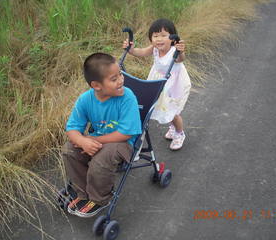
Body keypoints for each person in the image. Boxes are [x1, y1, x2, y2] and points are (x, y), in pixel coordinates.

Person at [62, 53, 142, 218]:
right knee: (69, 150)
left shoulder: (127, 97)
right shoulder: (85, 99)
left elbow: (126, 133)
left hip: (121, 143)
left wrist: (93, 140)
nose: (121, 80)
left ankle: (99, 198)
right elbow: (72, 128)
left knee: (101, 160)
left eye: (120, 74)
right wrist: (82, 141)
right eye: (114, 79)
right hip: (97, 139)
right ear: (96, 85)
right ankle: (83, 193)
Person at [123, 18, 191, 150]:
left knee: (172, 111)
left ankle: (179, 133)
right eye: (155, 36)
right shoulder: (154, 48)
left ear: (172, 38)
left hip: (172, 83)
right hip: (158, 79)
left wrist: (181, 51)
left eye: (164, 36)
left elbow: (180, 59)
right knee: (162, 107)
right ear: (151, 38)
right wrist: (131, 50)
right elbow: (142, 52)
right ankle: (172, 127)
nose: (159, 39)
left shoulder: (174, 51)